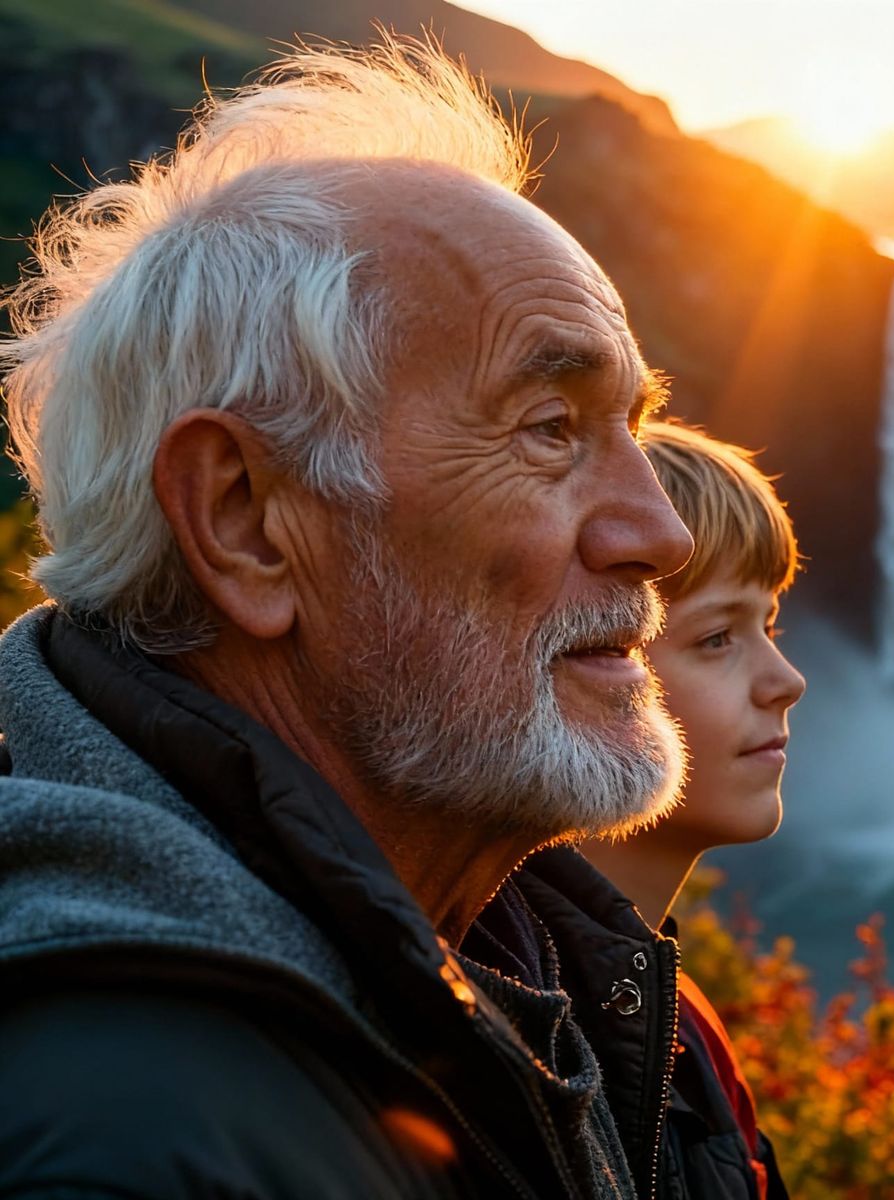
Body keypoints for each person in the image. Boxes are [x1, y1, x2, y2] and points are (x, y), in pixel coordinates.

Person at [0, 35, 696, 1199]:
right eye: (548, 429)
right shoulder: (121, 1141)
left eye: (633, 424)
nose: (659, 535)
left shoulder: (530, 963)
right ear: (246, 521)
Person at [487, 420, 804, 1200]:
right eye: (719, 637)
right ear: (594, 661)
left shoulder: (677, 1023)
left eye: (770, 626)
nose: (787, 679)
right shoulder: (515, 1032)